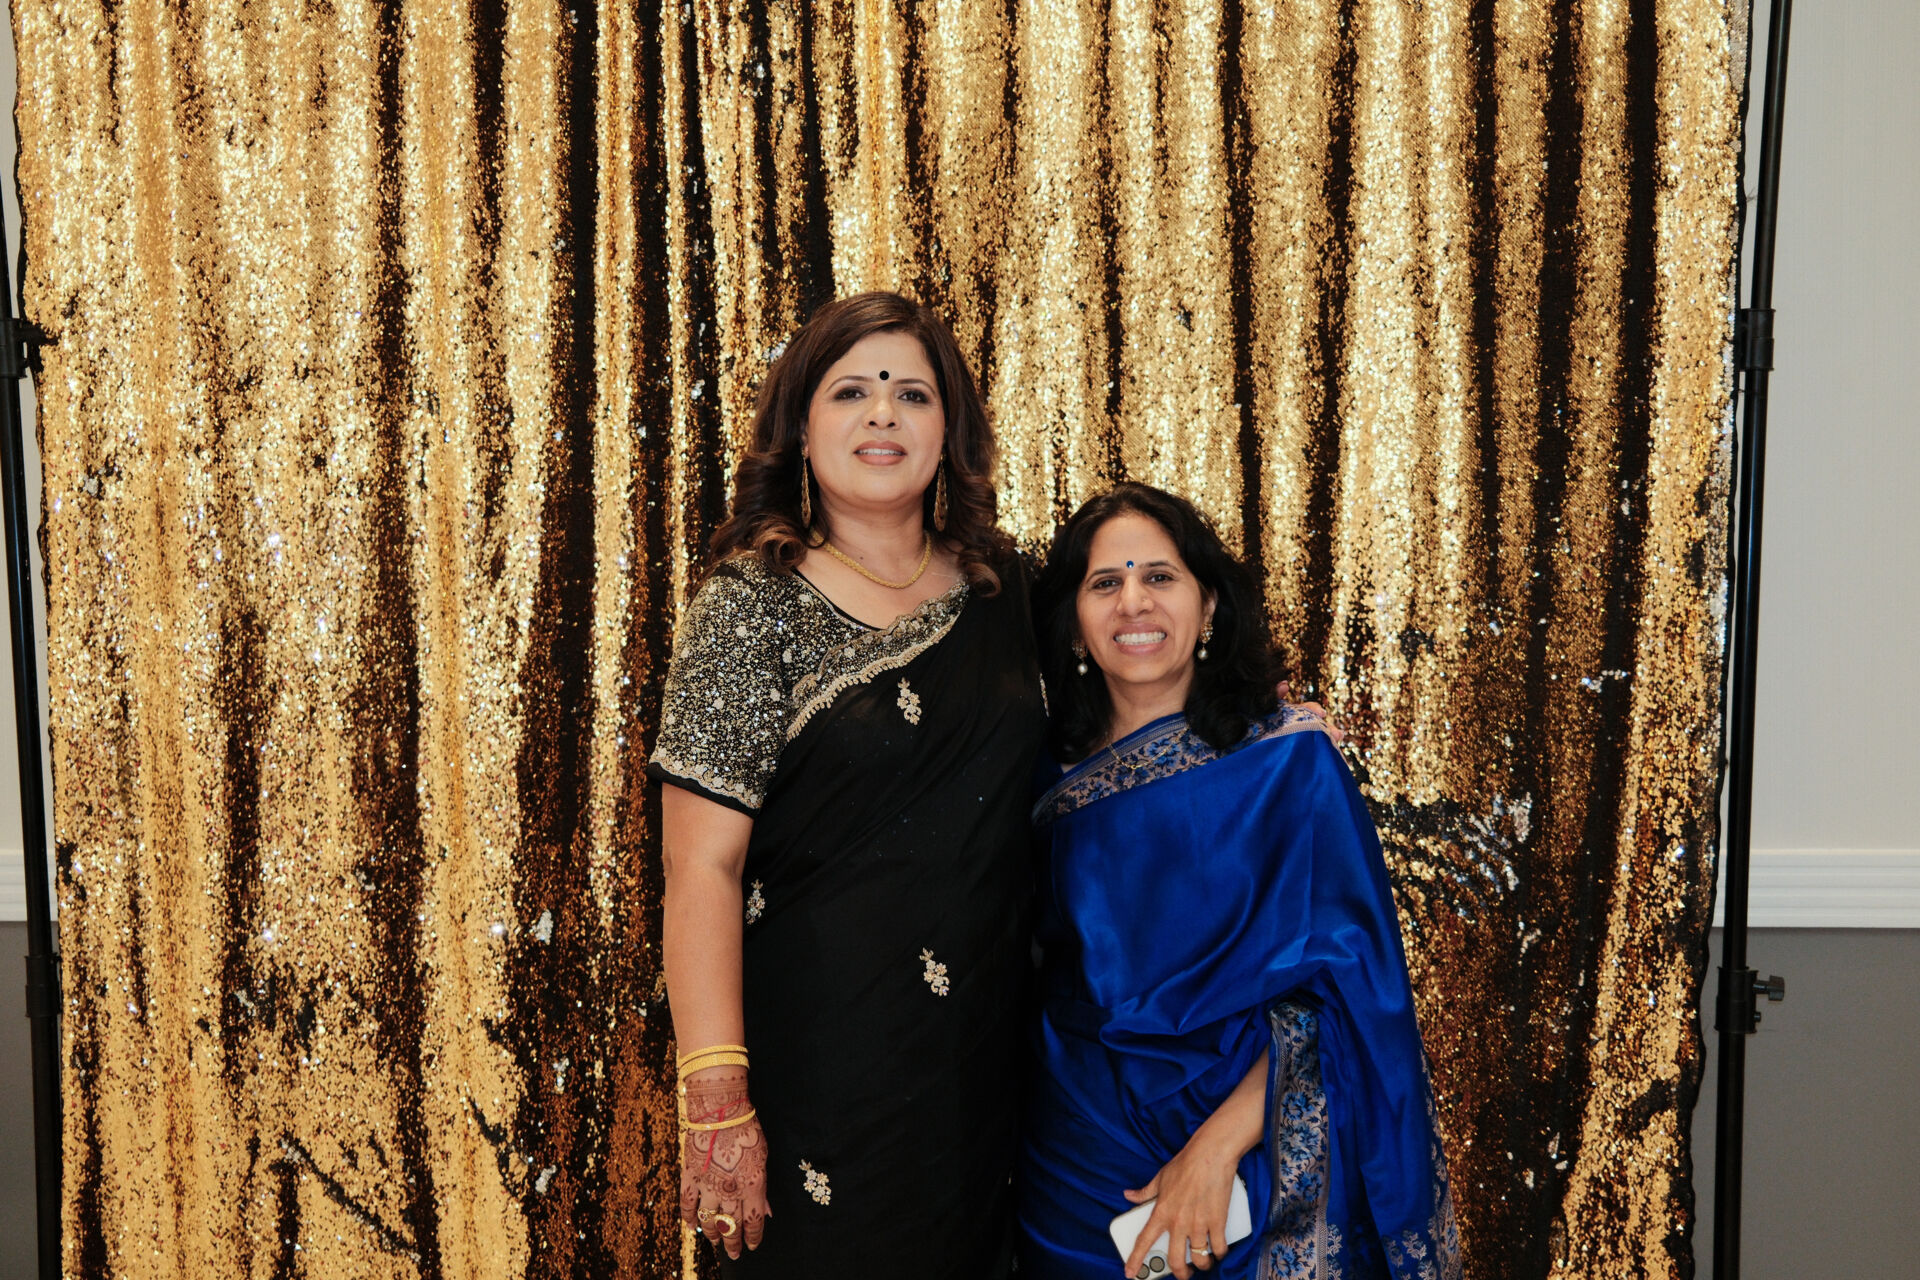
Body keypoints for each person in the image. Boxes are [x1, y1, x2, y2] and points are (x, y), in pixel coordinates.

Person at [649, 292, 1049, 1278]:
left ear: (948, 430)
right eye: (851, 391)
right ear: (801, 426)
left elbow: (1136, 685)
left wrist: (1260, 711)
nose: (882, 414)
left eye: (912, 393)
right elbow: (700, 865)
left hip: (990, 1074)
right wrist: (716, 1102)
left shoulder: (1008, 594)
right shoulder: (751, 604)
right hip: (820, 1078)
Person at [1017, 484, 1459, 1280]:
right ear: (1075, 623)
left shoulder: (1289, 764)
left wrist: (1215, 1150)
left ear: (1209, 605)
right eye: (1105, 583)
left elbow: (1352, 994)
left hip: (1251, 1159)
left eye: (1160, 576)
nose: (1133, 603)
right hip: (1080, 1161)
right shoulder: (1040, 779)